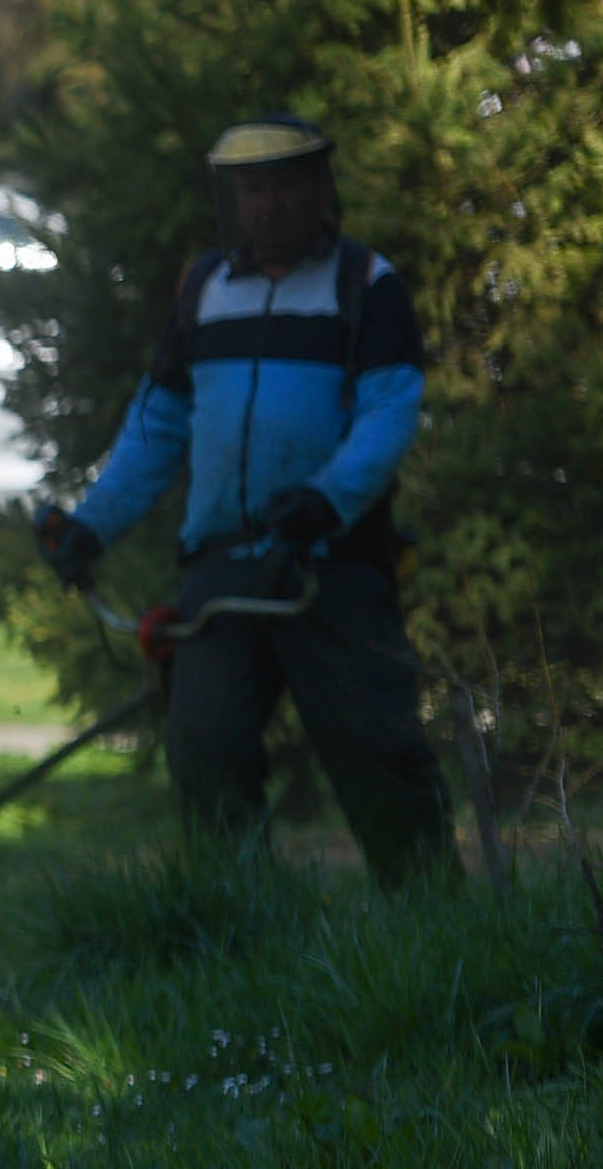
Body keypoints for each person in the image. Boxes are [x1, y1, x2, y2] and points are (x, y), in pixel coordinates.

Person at [37, 113, 456, 887]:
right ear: (232, 199)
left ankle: (441, 930)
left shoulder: (367, 285)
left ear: (321, 187)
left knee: (378, 755)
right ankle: (238, 933)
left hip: (332, 565)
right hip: (220, 574)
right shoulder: (204, 289)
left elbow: (390, 413)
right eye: (253, 189)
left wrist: (326, 502)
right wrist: (91, 527)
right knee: (204, 751)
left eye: (286, 186)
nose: (268, 205)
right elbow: (158, 425)